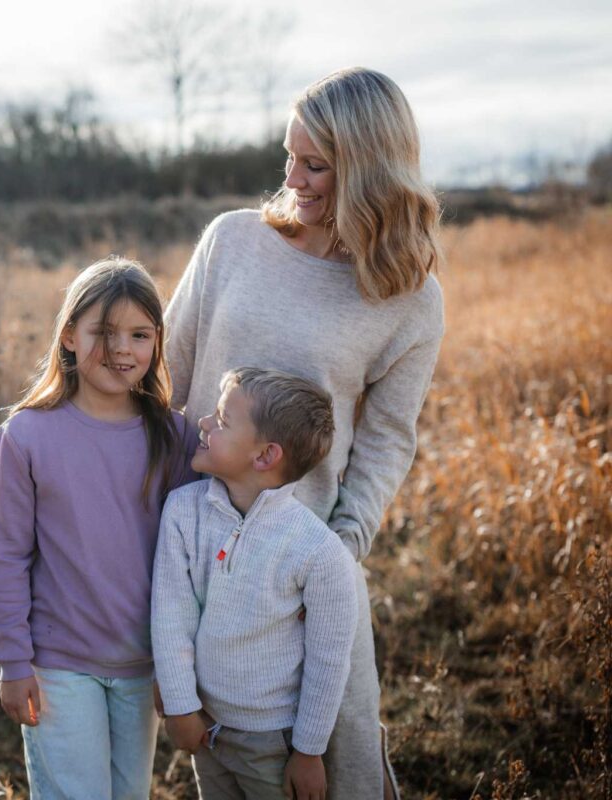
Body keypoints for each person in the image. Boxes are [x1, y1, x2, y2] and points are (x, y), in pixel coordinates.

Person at [165, 67, 445, 799]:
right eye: (289, 155)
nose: (292, 179)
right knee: (229, 758)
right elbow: (164, 380)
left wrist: (342, 546)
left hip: (307, 556)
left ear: (370, 170)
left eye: (315, 164)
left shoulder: (409, 297)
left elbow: (387, 438)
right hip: (202, 544)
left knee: (338, 762)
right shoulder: (232, 241)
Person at [0, 257, 200, 799]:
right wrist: (12, 660)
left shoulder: (175, 438)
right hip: (57, 665)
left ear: (157, 342)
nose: (122, 349)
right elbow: (1, 557)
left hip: (143, 664)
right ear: (69, 335)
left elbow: (193, 559)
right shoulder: (27, 436)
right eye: (104, 331)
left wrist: (179, 668)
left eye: (139, 334)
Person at [152, 367, 358, 800]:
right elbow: (171, 617)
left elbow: (328, 660)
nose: (203, 422)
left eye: (222, 420)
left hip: (274, 741)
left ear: (265, 456)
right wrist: (181, 705)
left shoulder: (318, 552)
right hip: (206, 726)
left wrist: (309, 751)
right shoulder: (183, 512)